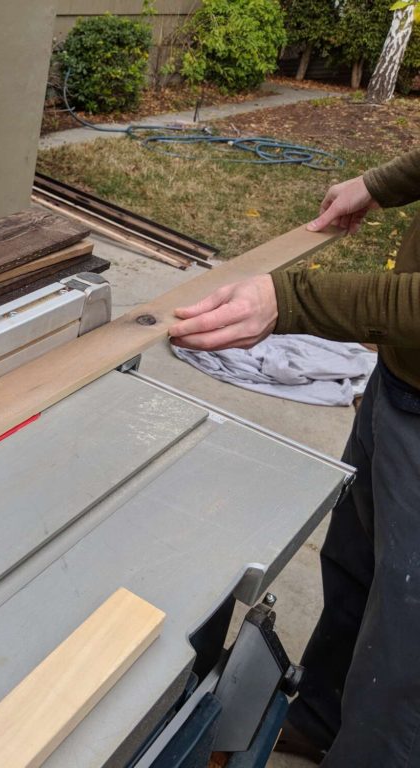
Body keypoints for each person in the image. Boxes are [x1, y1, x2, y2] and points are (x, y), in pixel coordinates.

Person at [169, 150, 420, 766]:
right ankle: (317, 716)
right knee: (355, 566)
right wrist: (378, 182)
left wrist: (288, 300)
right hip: (400, 375)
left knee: (405, 644)